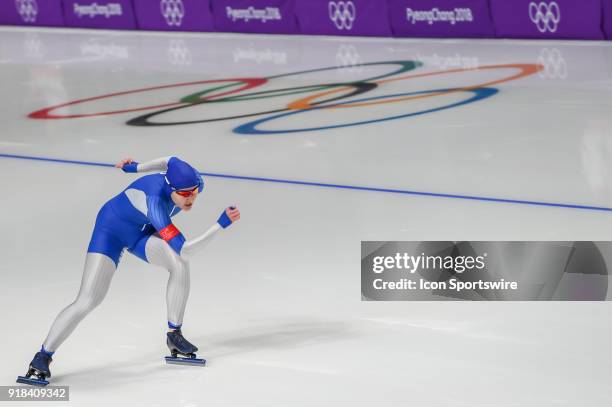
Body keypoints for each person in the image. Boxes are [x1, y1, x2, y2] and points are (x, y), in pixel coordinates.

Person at [17, 156, 240, 386]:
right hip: (111, 230)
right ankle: (42, 356)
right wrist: (219, 225)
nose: (191, 198)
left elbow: (167, 161)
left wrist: (134, 168)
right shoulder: (154, 203)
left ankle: (175, 334)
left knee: (179, 265)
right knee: (88, 299)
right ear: (170, 187)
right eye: (184, 194)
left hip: (140, 230)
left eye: (194, 192)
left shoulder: (193, 180)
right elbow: (185, 249)